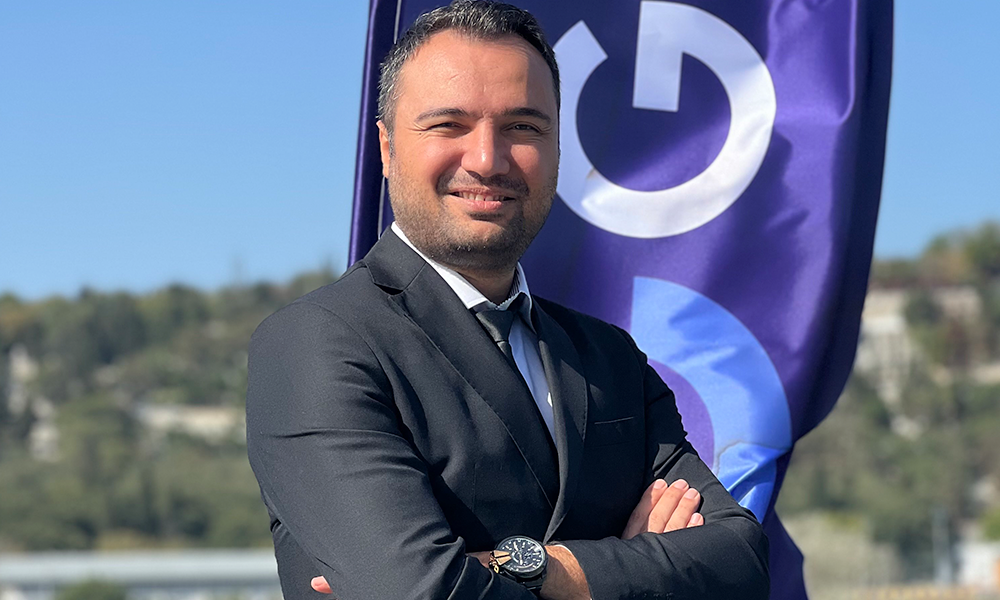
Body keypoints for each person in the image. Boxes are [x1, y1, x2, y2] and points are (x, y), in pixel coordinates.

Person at [245, 1, 769, 598]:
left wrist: (532, 566)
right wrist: (630, 570)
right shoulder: (316, 344)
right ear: (386, 149)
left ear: (557, 149)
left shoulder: (609, 359)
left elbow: (740, 561)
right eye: (448, 125)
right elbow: (419, 589)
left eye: (522, 127)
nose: (487, 159)